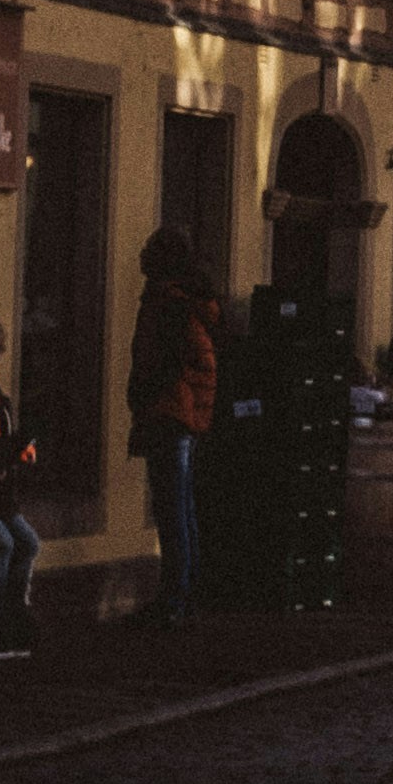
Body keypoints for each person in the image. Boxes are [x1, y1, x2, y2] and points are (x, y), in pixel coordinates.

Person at [127, 228, 219, 623]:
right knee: (182, 508)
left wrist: (146, 392)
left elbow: (164, 360)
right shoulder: (187, 303)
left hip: (169, 414)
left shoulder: (170, 305)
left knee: (172, 509)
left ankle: (175, 600)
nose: (142, 255)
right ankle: (185, 593)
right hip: (181, 414)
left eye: (149, 250)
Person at [0, 312, 40, 655]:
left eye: (0, 349)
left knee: (27, 543)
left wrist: (20, 449)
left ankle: (16, 616)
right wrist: (10, 452)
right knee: (1, 543)